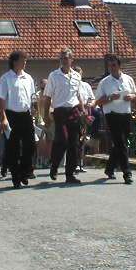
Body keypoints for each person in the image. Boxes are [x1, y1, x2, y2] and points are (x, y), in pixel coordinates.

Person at [95, 54, 136, 184]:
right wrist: (110, 98)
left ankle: (109, 168)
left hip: (126, 113)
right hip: (112, 114)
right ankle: (127, 173)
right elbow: (98, 101)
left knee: (121, 143)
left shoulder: (128, 79)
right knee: (121, 143)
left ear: (119, 65)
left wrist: (132, 96)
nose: (111, 68)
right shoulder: (104, 82)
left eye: (113, 65)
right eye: (109, 66)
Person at [0, 50, 37, 189]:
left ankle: (24, 171)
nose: (25, 62)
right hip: (11, 115)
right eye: (22, 60)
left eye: (25, 60)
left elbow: (32, 97)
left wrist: (34, 109)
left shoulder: (28, 78)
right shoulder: (6, 78)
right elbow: (1, 100)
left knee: (30, 145)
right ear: (14, 61)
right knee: (13, 148)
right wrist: (3, 118)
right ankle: (16, 177)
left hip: (25, 115)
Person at [42, 48, 84, 184]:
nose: (64, 61)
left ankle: (70, 174)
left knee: (74, 144)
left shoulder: (77, 76)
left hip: (74, 111)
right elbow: (47, 97)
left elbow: (79, 96)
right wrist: (46, 115)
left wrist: (83, 112)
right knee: (62, 140)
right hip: (60, 111)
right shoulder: (54, 75)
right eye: (62, 58)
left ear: (72, 60)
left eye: (66, 58)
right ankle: (54, 165)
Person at [74, 65, 95, 173]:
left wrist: (90, 104)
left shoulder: (86, 86)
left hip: (86, 113)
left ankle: (81, 164)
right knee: (76, 139)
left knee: (83, 139)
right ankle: (75, 163)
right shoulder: (71, 86)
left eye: (79, 74)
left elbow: (93, 99)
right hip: (75, 113)